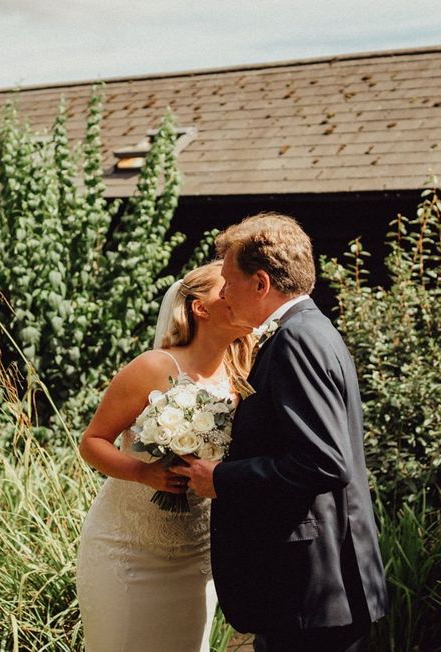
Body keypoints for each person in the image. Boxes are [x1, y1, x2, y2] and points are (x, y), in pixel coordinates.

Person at [172, 213, 388, 652]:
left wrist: (220, 478)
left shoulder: (296, 340)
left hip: (311, 590)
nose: (225, 293)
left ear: (261, 283)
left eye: (230, 282)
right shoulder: (310, 330)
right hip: (315, 591)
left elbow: (324, 461)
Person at [76, 261, 255, 652]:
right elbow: (92, 442)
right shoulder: (154, 366)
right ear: (200, 308)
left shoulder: (242, 374)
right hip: (127, 549)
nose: (240, 295)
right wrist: (144, 473)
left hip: (197, 552)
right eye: (228, 288)